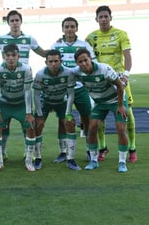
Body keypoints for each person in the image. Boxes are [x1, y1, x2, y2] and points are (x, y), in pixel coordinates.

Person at [0, 10, 46, 160]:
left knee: (26, 121)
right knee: (3, 123)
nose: (14, 23)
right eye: (12, 20)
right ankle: (3, 152)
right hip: (7, 82)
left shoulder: (29, 39)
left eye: (16, 20)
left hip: (23, 80)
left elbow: (43, 53)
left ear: (21, 22)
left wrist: (57, 47)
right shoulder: (1, 39)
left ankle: (29, 153)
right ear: (8, 23)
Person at [85, 6, 137, 163]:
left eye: (106, 16)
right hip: (99, 82)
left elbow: (127, 55)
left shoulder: (120, 34)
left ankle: (132, 149)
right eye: (100, 17)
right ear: (96, 19)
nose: (103, 19)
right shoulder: (91, 37)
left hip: (119, 79)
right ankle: (102, 148)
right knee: (99, 116)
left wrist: (126, 74)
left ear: (110, 17)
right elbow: (83, 54)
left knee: (126, 111)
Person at [67, 48, 129, 173]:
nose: (84, 63)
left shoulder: (104, 69)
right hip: (100, 103)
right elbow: (62, 71)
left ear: (90, 59)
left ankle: (122, 162)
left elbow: (120, 85)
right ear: (77, 63)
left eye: (86, 60)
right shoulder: (77, 73)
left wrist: (121, 106)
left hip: (116, 101)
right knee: (92, 127)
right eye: (80, 62)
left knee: (121, 129)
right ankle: (93, 160)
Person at [51, 16, 97, 162]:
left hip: (81, 88)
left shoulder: (84, 45)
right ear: (62, 29)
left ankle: (90, 151)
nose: (69, 29)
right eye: (67, 26)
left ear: (76, 28)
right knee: (63, 120)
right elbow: (52, 65)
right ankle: (63, 151)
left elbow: (92, 64)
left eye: (72, 26)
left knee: (87, 119)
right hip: (63, 89)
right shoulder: (56, 45)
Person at [33, 49, 81, 170]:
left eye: (56, 61)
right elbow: (36, 95)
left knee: (69, 123)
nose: (53, 64)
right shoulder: (40, 74)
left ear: (61, 61)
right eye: (51, 61)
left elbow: (71, 94)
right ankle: (38, 158)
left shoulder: (68, 73)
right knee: (38, 125)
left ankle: (70, 158)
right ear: (46, 62)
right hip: (46, 102)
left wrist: (68, 112)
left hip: (62, 102)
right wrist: (39, 114)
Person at [0, 44, 35, 172]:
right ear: (4, 56)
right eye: (8, 56)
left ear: (18, 56)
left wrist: (28, 112)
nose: (11, 58)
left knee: (31, 127)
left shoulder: (26, 69)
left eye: (13, 55)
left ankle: (28, 160)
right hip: (5, 103)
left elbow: (28, 92)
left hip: (21, 104)